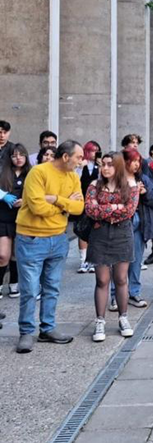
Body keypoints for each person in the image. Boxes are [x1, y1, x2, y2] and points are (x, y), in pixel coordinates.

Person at [15, 140, 84, 353]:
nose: (81, 162)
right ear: (65, 157)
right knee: (29, 289)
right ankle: (26, 332)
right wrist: (64, 206)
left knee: (52, 287)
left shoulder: (73, 177)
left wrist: (55, 199)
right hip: (32, 238)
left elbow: (79, 207)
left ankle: (47, 328)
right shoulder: (38, 172)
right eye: (78, 157)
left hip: (58, 238)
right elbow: (36, 207)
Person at [84, 152, 140, 342]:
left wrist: (105, 209)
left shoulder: (130, 186)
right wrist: (115, 208)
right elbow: (90, 210)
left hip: (122, 234)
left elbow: (129, 211)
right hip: (99, 235)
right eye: (103, 164)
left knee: (121, 278)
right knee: (102, 279)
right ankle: (100, 321)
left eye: (110, 164)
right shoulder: (94, 185)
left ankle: (123, 318)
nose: (105, 168)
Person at [108, 148, 153, 310]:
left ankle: (133, 292)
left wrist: (145, 192)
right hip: (119, 223)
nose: (136, 164)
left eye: (138, 161)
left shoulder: (143, 178)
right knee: (118, 260)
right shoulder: (115, 179)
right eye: (133, 161)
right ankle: (115, 295)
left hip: (139, 222)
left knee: (135, 259)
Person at [0, 144, 31, 299]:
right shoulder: (4, 173)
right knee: (2, 255)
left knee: (15, 255)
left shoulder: (32, 174)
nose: (18, 158)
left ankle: (14, 284)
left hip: (22, 219)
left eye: (21, 155)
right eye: (14, 155)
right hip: (3, 219)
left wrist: (24, 201)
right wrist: (3, 196)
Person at [76, 140, 101, 274]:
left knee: (94, 229)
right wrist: (80, 167)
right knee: (82, 229)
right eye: (92, 150)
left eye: (97, 150)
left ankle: (92, 259)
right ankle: (83, 260)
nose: (94, 153)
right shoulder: (81, 164)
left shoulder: (100, 165)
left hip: (96, 201)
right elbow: (74, 179)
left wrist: (102, 167)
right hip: (82, 199)